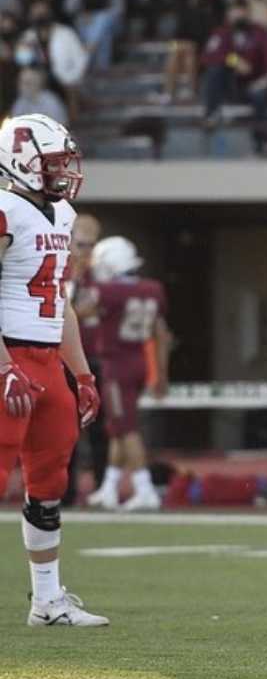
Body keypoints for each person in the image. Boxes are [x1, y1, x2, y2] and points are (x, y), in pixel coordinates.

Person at [0, 114, 105, 626]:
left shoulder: (61, 214)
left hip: (44, 361)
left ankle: (47, 601)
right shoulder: (3, 209)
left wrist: (81, 375)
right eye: (53, 163)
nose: (62, 172)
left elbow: (59, 302)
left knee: (49, 482)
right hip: (9, 358)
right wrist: (3, 367)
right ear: (20, 160)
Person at [82, 237, 170, 512]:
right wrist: (162, 374)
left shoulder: (107, 291)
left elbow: (78, 312)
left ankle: (145, 490)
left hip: (116, 364)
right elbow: (161, 334)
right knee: (118, 428)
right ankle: (109, 488)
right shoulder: (152, 289)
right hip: (139, 362)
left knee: (127, 428)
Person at [64, 215, 107, 507]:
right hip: (66, 361)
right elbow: (68, 313)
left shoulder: (101, 273)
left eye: (91, 245)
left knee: (101, 429)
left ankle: (102, 488)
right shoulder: (63, 272)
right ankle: (64, 491)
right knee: (67, 428)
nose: (86, 251)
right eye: (81, 244)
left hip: (96, 358)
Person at [200, 0, 267, 153]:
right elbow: (209, 56)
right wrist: (234, 60)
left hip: (254, 83)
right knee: (214, 71)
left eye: (242, 11)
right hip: (230, 85)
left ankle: (262, 140)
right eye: (235, 11)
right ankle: (211, 115)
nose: (238, 15)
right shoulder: (221, 33)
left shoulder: (260, 33)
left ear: (247, 13)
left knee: (260, 96)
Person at [19, 0, 88, 118]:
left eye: (42, 13)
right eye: (36, 14)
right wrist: (27, 48)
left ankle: (69, 125)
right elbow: (21, 59)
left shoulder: (65, 33)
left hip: (64, 76)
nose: (40, 16)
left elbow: (80, 58)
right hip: (39, 78)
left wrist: (73, 77)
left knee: (70, 91)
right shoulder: (28, 36)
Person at [164, 0, 224, 103]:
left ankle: (191, 90)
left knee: (189, 50)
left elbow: (216, 19)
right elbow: (180, 24)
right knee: (173, 50)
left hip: (206, 37)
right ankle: (169, 92)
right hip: (182, 37)